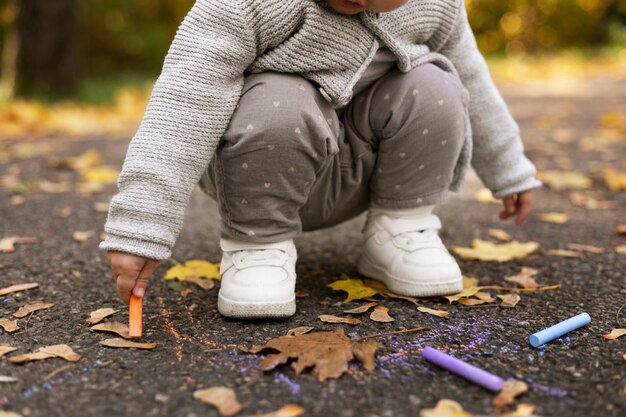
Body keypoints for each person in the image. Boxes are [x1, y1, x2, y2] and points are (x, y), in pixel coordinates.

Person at [101, 0, 541, 319]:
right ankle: (257, 248)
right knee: (280, 97)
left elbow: (475, 84)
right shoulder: (249, 5)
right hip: (261, 171)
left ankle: (401, 230)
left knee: (437, 85)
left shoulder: (436, 5)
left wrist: (509, 169)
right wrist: (141, 227)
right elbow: (185, 101)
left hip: (369, 175)